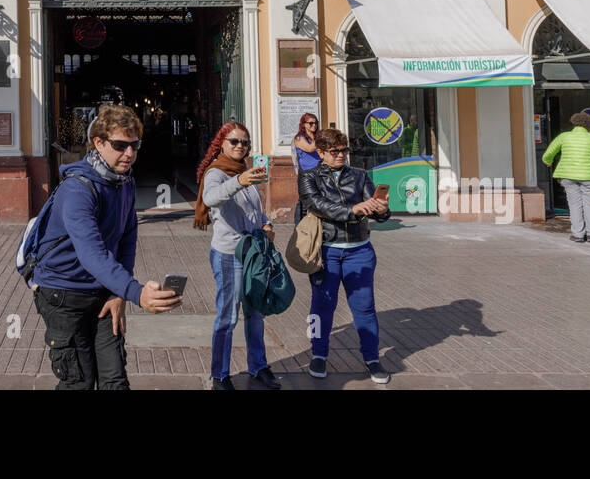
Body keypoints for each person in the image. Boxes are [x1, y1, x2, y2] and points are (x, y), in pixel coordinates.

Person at [30, 104, 182, 389]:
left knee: (115, 379)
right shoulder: (77, 189)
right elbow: (92, 253)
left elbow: (127, 236)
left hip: (101, 292)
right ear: (98, 143)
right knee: (79, 381)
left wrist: (118, 293)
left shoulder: (124, 181)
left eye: (135, 145)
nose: (130, 153)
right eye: (120, 145)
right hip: (63, 294)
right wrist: (136, 292)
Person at [298, 127, 391, 384]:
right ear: (321, 153)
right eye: (335, 151)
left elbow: (377, 213)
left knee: (364, 308)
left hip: (359, 251)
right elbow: (317, 205)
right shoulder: (309, 176)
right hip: (326, 251)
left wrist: (381, 209)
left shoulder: (360, 176)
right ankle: (318, 354)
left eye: (344, 150)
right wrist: (354, 209)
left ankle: (372, 358)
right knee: (322, 306)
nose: (341, 155)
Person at [195, 121, 279, 390]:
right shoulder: (217, 172)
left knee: (255, 314)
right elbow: (210, 199)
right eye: (234, 141)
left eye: (244, 142)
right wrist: (239, 182)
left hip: (253, 252)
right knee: (228, 317)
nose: (240, 146)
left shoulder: (245, 170)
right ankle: (219, 374)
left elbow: (254, 210)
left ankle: (258, 366)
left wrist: (266, 224)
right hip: (229, 254)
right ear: (222, 143)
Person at [541, 111, 590, 243]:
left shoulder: (564, 137)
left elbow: (548, 154)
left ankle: (578, 234)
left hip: (568, 175)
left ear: (574, 123)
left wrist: (548, 162)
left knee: (574, 204)